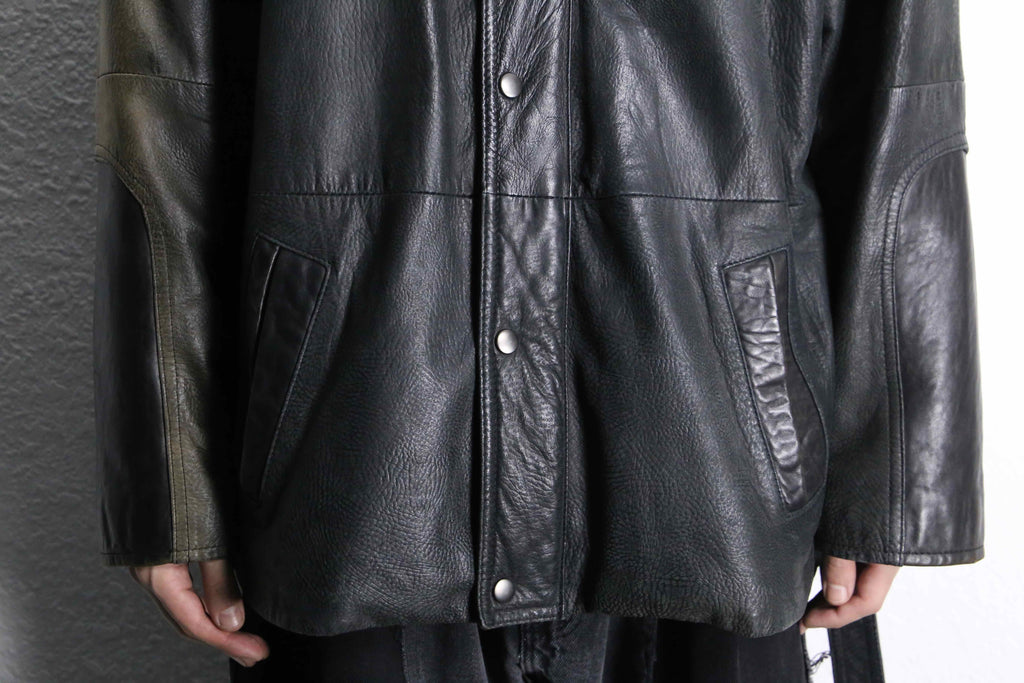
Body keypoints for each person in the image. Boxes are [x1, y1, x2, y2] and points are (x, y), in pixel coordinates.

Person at [93, 0, 983, 680]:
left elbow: (902, 94)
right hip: (358, 456)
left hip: (712, 459)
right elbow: (164, 101)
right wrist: (167, 465)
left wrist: (896, 467)